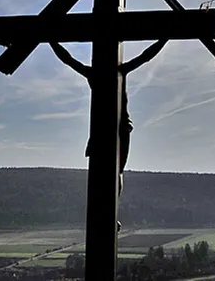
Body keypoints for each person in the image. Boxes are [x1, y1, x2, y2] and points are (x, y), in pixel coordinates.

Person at [49, 39, 168, 230]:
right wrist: (165, 38)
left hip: (111, 128)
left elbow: (67, 59)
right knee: (113, 172)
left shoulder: (99, 72)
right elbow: (145, 56)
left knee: (113, 172)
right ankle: (107, 213)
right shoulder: (117, 71)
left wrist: (50, 40)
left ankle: (109, 213)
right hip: (113, 128)